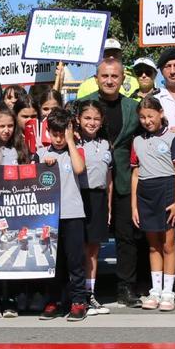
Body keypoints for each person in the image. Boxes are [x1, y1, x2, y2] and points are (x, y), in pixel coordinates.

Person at [89, 56, 143, 306]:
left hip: (123, 179)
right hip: (90, 181)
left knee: (127, 236)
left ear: (123, 79)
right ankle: (86, 288)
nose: (109, 80)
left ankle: (126, 287)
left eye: (114, 76)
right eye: (105, 76)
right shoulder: (83, 106)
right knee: (88, 238)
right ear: (96, 78)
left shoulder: (134, 107)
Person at [130, 94, 175, 310]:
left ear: (161, 113)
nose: (147, 121)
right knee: (153, 246)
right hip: (145, 193)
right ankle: (155, 290)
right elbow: (135, 175)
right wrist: (134, 206)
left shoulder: (173, 138)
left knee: (168, 244)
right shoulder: (136, 141)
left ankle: (168, 293)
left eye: (151, 115)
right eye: (142, 117)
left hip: (167, 190)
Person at [36, 106, 90, 321]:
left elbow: (78, 168)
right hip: (49, 216)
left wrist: (70, 141)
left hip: (73, 214)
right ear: (48, 132)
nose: (58, 138)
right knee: (53, 262)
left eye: (62, 133)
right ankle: (54, 300)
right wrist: (45, 162)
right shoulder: (41, 154)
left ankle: (78, 301)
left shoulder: (77, 150)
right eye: (54, 133)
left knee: (75, 260)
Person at [0, 102, 32, 317]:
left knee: (12, 252)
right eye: (1, 126)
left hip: (15, 211)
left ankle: (10, 299)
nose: (6, 130)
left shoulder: (19, 149)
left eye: (10, 125)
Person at [72, 99, 113, 314]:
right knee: (77, 249)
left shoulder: (105, 144)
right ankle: (76, 295)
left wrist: (109, 205)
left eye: (96, 118)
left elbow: (108, 177)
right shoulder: (73, 142)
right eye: (87, 118)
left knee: (93, 250)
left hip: (98, 199)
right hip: (77, 198)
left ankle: (91, 294)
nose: (92, 122)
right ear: (78, 119)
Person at [74, 37, 140, 98]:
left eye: (115, 54)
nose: (111, 58)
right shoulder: (86, 86)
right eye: (107, 54)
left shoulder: (135, 82)